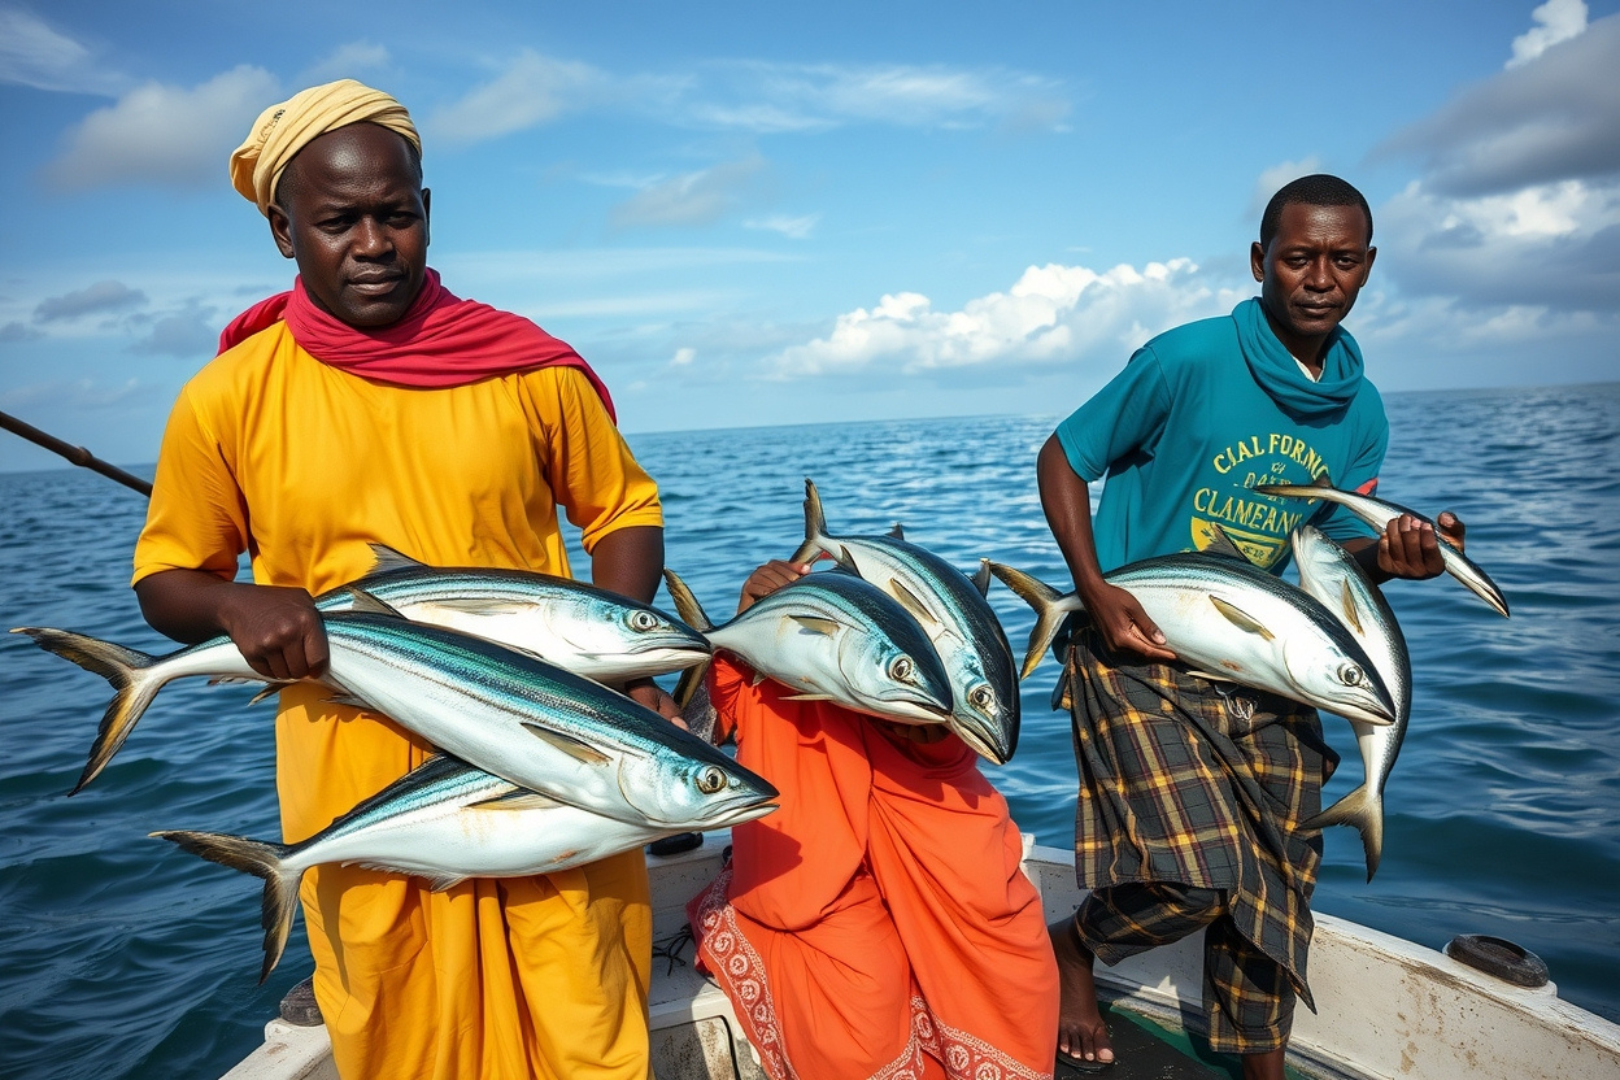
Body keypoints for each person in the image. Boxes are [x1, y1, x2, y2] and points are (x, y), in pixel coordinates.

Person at [132, 80, 676, 1080]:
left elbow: (623, 511)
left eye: (398, 213)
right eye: (339, 221)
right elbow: (167, 579)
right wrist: (231, 602)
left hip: (549, 746)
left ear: (429, 209)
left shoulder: (528, 369)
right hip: (357, 773)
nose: (374, 243)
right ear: (283, 232)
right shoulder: (227, 398)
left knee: (587, 1019)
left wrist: (622, 654)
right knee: (398, 1033)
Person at [1035, 175, 1465, 1079]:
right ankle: (1078, 946)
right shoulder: (1188, 360)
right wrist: (1094, 590)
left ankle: (1258, 1060)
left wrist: (1401, 556)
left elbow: (1332, 556)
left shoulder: (1363, 409)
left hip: (1267, 662)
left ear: (1369, 267)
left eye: (1342, 260)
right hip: (1136, 644)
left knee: (1280, 875)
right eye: (1299, 256)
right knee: (1197, 876)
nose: (1320, 277)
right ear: (1260, 260)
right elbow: (1064, 458)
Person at [683, 558, 1060, 1080]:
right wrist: (745, 623)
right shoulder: (791, 640)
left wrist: (929, 727)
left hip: (936, 836)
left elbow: (965, 744)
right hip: (818, 869)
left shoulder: (926, 648)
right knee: (862, 1009)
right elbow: (701, 730)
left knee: (1012, 961)